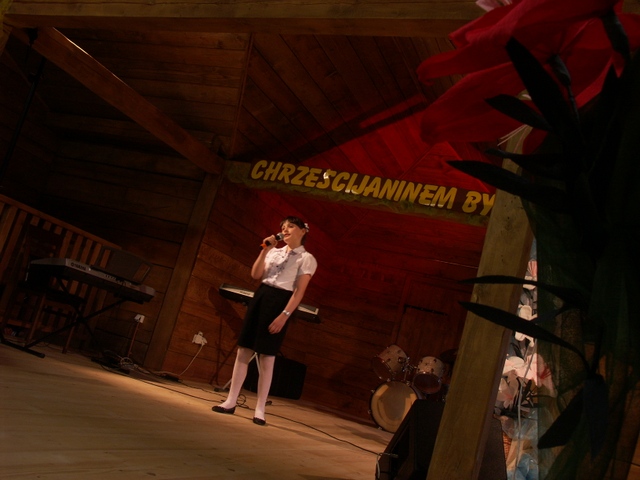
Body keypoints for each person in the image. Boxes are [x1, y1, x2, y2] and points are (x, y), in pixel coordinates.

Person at [212, 216, 317, 426]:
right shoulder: (274, 251)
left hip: (281, 302)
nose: (285, 230)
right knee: (244, 350)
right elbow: (256, 274)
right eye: (283, 227)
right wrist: (265, 250)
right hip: (261, 296)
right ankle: (231, 400)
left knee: (267, 357)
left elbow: (299, 291)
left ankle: (260, 408)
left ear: (303, 231)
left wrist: (284, 315)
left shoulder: (307, 258)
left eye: (291, 226)